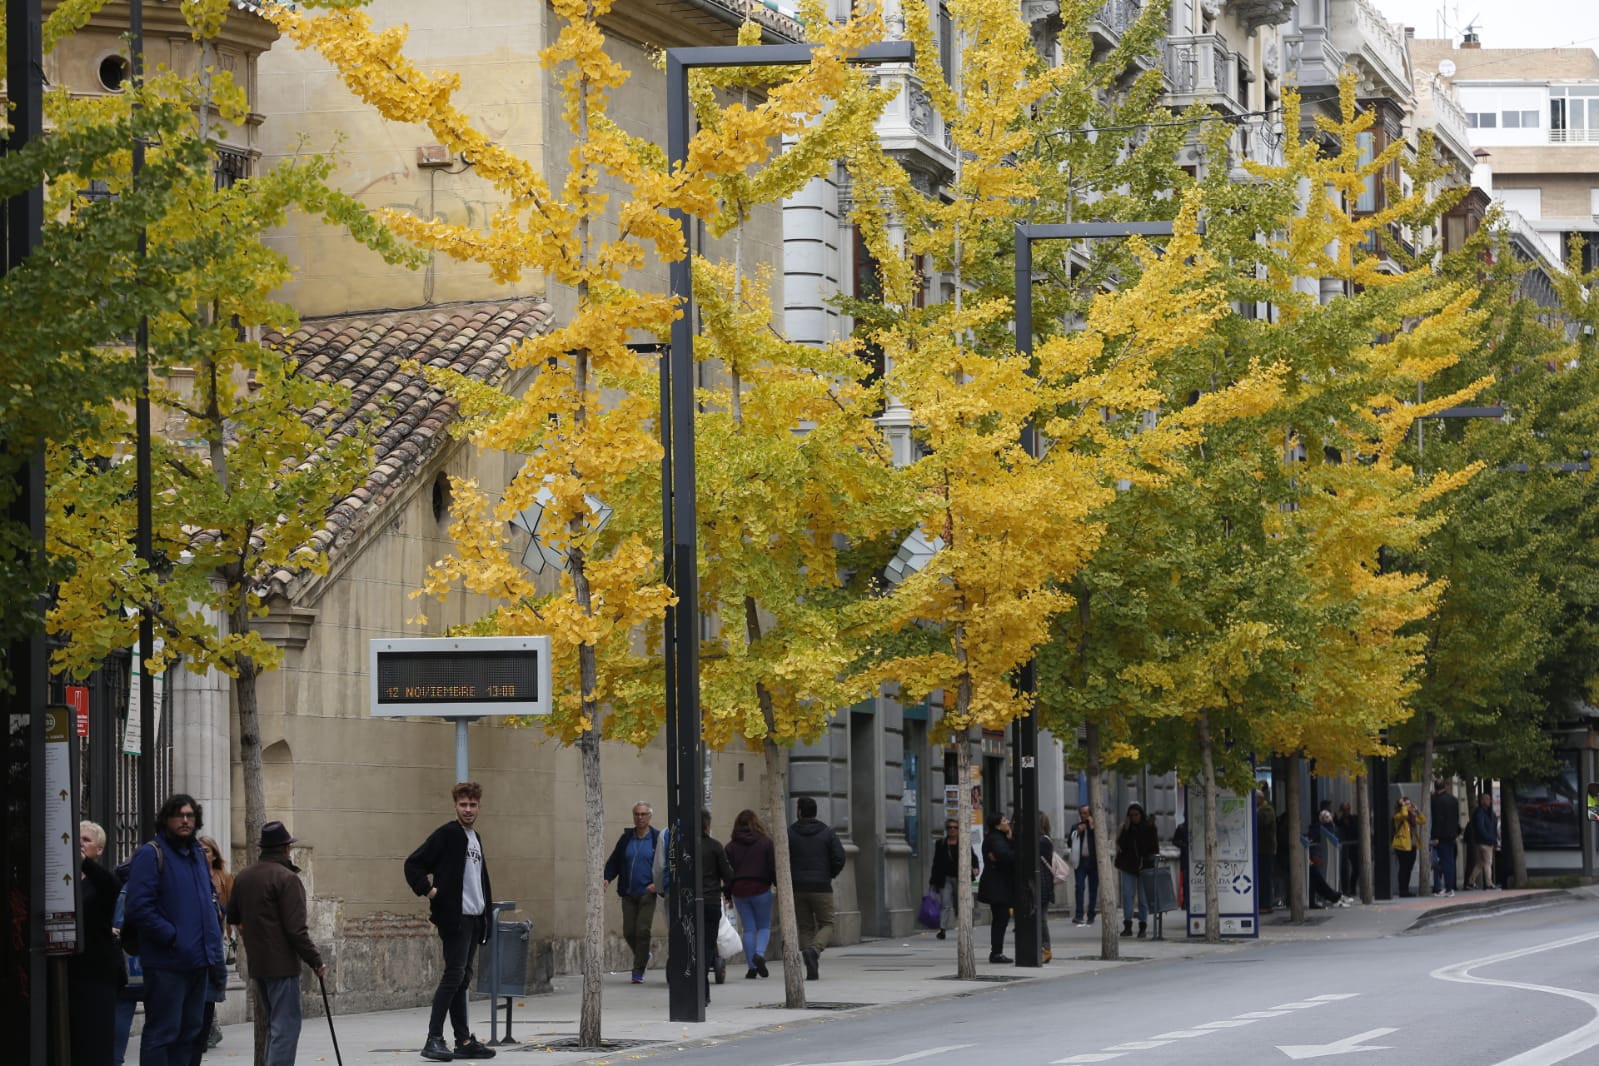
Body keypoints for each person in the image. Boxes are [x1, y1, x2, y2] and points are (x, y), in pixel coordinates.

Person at [125, 793, 227, 1066]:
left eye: (190, 816)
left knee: (192, 1034)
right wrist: (172, 936)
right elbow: (138, 907)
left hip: (199, 961)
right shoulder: (151, 854)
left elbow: (206, 901)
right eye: (179, 815)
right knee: (163, 1033)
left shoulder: (196, 854)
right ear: (166, 819)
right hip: (167, 964)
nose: (185, 820)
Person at [404, 781, 496, 1062]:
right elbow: (413, 864)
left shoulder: (474, 837)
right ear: (455, 806)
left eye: (472, 805)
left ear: (479, 807)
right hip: (455, 919)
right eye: (463, 805)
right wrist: (430, 891)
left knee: (462, 978)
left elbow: (476, 880)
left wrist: (483, 917)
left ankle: (463, 1040)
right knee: (453, 976)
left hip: (472, 918)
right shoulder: (446, 835)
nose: (468, 810)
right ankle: (433, 1039)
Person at [226, 821, 326, 1066]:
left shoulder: (244, 877)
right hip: (282, 965)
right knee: (286, 1029)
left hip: (258, 965)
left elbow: (234, 918)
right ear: (285, 849)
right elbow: (296, 930)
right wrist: (316, 960)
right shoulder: (287, 878)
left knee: (275, 1026)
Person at [651, 810, 733, 1001]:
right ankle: (702, 988)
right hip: (710, 902)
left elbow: (663, 868)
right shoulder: (714, 846)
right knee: (707, 946)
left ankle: (690, 985)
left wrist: (663, 889)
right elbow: (728, 875)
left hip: (685, 902)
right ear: (706, 826)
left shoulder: (680, 847)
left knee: (687, 943)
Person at [70, 820, 124, 1066]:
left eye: (86, 840)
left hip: (95, 972)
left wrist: (84, 863)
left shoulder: (101, 881)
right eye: (76, 838)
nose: (79, 844)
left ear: (99, 850)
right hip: (66, 971)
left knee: (95, 1041)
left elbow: (111, 886)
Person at [787, 796, 845, 981]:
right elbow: (839, 858)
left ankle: (809, 959)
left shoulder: (789, 833)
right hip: (821, 885)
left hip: (797, 887)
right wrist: (829, 874)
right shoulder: (827, 832)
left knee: (804, 927)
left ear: (799, 812)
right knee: (828, 923)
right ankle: (814, 950)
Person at [602, 801, 659, 984]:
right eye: (637, 814)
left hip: (647, 892)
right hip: (628, 892)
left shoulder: (657, 839)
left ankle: (638, 970)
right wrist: (607, 878)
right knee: (628, 932)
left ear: (650, 816)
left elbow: (664, 864)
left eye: (643, 814)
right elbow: (615, 861)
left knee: (642, 930)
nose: (640, 818)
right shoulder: (626, 838)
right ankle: (643, 955)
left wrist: (657, 884)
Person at [191, 835, 233, 1061]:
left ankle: (208, 1033)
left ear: (214, 854)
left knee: (207, 1001)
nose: (202, 855)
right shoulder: (190, 879)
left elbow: (229, 912)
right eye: (199, 850)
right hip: (202, 948)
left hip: (216, 939)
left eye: (206, 851)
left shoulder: (223, 878)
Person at [724, 809, 776, 979]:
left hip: (739, 890)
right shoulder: (766, 843)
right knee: (764, 926)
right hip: (761, 888)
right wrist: (778, 886)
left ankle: (751, 968)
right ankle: (759, 954)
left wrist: (728, 894)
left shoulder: (730, 846)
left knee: (748, 929)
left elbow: (727, 873)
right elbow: (772, 867)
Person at [1113, 802, 1158, 939]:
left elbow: (1154, 847)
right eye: (1131, 815)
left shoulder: (1148, 827)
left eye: (1136, 815)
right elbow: (1122, 846)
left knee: (1143, 899)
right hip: (1129, 866)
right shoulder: (1127, 828)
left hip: (1144, 866)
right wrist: (1126, 829)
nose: (1134, 818)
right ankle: (1127, 925)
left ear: (1141, 814)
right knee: (1128, 895)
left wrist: (1150, 829)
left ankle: (1142, 926)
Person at [976, 812, 1015, 963]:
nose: (1008, 822)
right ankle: (996, 952)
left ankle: (997, 951)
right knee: (1001, 919)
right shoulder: (995, 838)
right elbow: (1005, 856)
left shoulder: (999, 837)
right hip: (997, 886)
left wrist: (1010, 838)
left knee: (1001, 918)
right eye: (1004, 820)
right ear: (998, 825)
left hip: (998, 884)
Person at [928, 817, 976, 940]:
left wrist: (975, 868)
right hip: (945, 879)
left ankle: (963, 927)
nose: (952, 830)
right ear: (946, 829)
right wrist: (933, 881)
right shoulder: (941, 843)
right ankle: (942, 929)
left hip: (961, 879)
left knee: (961, 904)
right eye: (950, 827)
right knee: (945, 904)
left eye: (955, 827)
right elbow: (936, 863)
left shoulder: (964, 842)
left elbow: (973, 857)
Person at [1430, 779, 1461, 897]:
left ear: (1436, 788)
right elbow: (1456, 818)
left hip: (1441, 836)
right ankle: (1450, 886)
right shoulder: (1453, 800)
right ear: (1446, 786)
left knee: (1445, 861)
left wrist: (1435, 836)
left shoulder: (1437, 801)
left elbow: (1438, 820)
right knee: (1450, 861)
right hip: (1451, 835)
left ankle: (1448, 888)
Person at [1067, 805, 1098, 926]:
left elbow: (1098, 841)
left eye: (1085, 813)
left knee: (1093, 889)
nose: (1083, 816)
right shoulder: (1075, 826)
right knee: (1079, 887)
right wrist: (1078, 833)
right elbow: (1070, 842)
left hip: (1093, 862)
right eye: (1081, 813)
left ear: (1090, 814)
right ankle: (1079, 915)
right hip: (1081, 862)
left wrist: (1091, 828)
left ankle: (1091, 914)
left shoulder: (1095, 827)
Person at [1391, 797, 1425, 897]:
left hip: (1412, 845)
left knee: (1409, 868)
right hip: (1402, 846)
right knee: (1403, 868)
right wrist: (1403, 805)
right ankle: (1403, 890)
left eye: (1410, 804)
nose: (1409, 806)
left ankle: (1406, 889)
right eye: (1406, 804)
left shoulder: (1412, 817)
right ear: (1401, 806)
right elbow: (1404, 814)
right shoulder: (1398, 816)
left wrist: (1417, 810)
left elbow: (1423, 820)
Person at [1467, 793, 1500, 890]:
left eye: (1489, 799)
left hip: (1483, 841)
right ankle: (1489, 883)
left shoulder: (1485, 812)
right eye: (1486, 799)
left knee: (1481, 862)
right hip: (1485, 842)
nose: (1489, 801)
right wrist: (1490, 839)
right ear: (1481, 801)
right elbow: (1481, 828)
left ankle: (1471, 881)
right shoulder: (1481, 813)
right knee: (1488, 862)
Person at [1037, 814, 1056, 964]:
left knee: (1041, 918)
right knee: (1040, 918)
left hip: (1042, 883)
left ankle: (1046, 948)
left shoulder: (1042, 841)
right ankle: (1043, 948)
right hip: (1043, 882)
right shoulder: (1044, 840)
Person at [1256, 788, 1278, 912]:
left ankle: (1266, 904)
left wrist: (1256, 812)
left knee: (1265, 877)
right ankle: (1262, 903)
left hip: (1266, 849)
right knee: (1262, 877)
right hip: (1261, 849)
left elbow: (1261, 822)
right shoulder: (1262, 810)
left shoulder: (1267, 810)